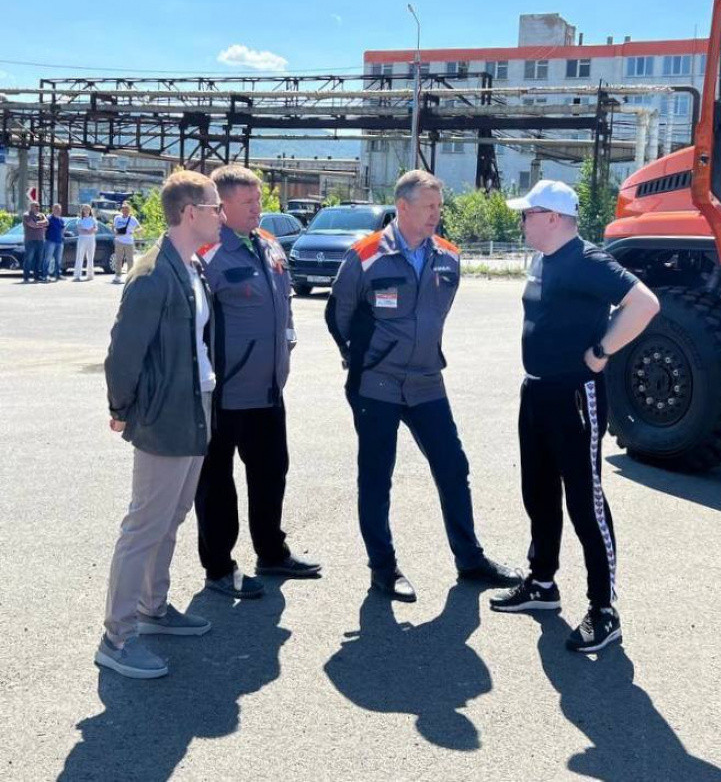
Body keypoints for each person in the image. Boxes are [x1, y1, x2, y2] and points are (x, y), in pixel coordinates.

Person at [325, 169, 518, 602]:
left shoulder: (448, 256)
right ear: (403, 207)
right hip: (377, 383)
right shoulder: (365, 255)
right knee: (377, 477)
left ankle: (470, 560)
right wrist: (360, 357)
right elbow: (338, 314)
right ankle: (383, 568)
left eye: (439, 206)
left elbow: (436, 315)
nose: (436, 214)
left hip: (427, 381)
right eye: (429, 206)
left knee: (453, 467)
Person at [490, 179, 660, 653]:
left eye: (527, 214)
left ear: (552, 218)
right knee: (538, 492)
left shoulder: (588, 260)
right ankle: (542, 583)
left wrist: (602, 351)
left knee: (585, 502)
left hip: (574, 396)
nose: (521, 222)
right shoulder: (544, 259)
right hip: (537, 391)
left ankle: (604, 610)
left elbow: (645, 304)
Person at [96, 170, 223, 679]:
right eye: (214, 207)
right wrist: (121, 408)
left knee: (171, 518)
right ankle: (117, 637)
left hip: (195, 406)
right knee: (144, 526)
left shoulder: (192, 267)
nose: (221, 215)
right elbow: (123, 353)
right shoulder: (152, 274)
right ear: (190, 213)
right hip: (164, 414)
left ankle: (153, 608)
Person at [195, 165, 320, 599]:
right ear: (221, 206)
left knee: (271, 473)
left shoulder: (268, 245)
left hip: (268, 389)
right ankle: (219, 567)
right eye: (248, 202)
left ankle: (271, 552)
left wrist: (287, 343)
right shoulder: (207, 253)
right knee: (217, 484)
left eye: (259, 200)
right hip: (224, 393)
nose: (257, 209)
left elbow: (285, 305)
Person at [112, 201, 142, 284]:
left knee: (130, 260)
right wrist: (115, 231)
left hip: (129, 241)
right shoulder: (117, 218)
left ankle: (130, 276)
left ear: (129, 210)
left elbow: (140, 228)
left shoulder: (132, 219)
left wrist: (134, 231)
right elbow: (113, 227)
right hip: (119, 240)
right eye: (123, 209)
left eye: (126, 209)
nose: (125, 210)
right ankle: (117, 276)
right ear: (121, 210)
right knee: (118, 259)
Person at [22, 201, 48, 283]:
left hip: (40, 240)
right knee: (29, 259)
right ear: (31, 207)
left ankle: (36, 277)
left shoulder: (41, 215)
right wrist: (41, 225)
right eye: (36, 206)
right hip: (30, 240)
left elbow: (47, 222)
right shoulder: (26, 215)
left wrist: (37, 224)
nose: (38, 208)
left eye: (38, 206)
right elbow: (32, 225)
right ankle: (26, 277)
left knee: (39, 259)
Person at [73, 204, 97, 281]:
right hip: (82, 239)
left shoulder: (93, 219)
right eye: (85, 209)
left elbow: (95, 229)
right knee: (80, 256)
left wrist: (90, 231)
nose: (86, 211)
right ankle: (77, 275)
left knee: (90, 257)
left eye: (88, 209)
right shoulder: (80, 220)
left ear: (90, 211)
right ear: (82, 211)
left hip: (91, 239)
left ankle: (90, 275)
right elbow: (80, 230)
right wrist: (88, 231)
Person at [44, 204, 66, 281]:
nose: (58, 210)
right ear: (53, 209)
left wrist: (62, 237)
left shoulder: (61, 220)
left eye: (59, 209)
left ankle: (58, 274)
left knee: (58, 260)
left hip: (59, 242)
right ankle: (45, 275)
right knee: (48, 259)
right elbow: (44, 229)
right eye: (56, 209)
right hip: (50, 241)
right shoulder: (49, 219)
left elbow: (63, 229)